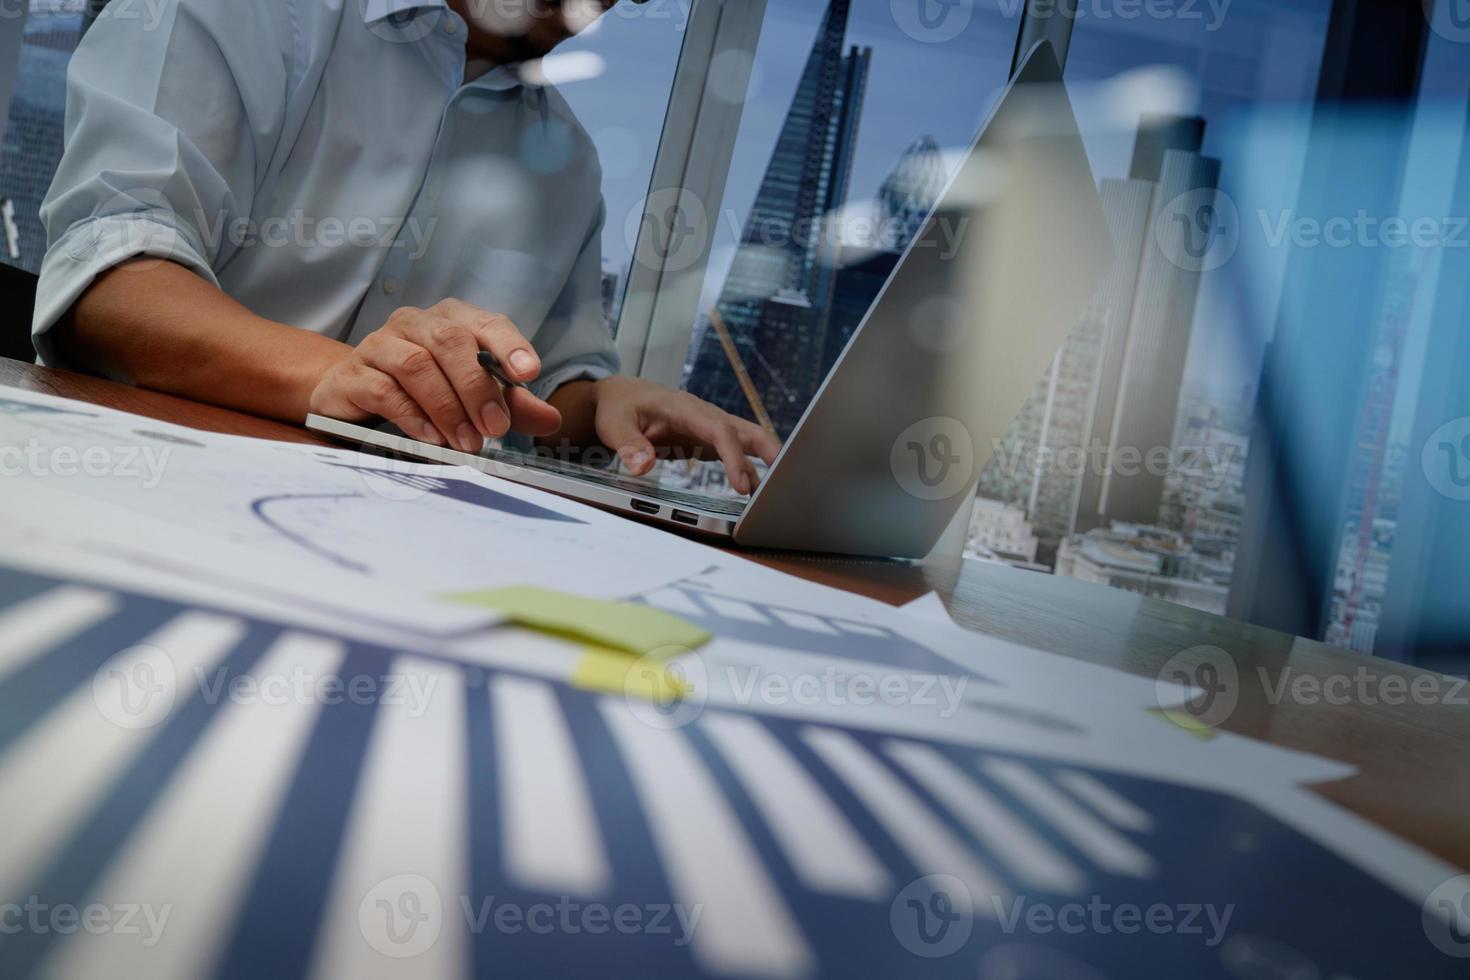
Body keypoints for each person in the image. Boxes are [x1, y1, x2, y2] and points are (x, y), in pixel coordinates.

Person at [34, 0, 779, 493]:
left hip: (396, 550)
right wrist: (344, 376)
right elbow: (110, 280)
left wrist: (605, 401)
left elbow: (544, 388)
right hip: (144, 486)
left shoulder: (570, 163)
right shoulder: (243, 13)